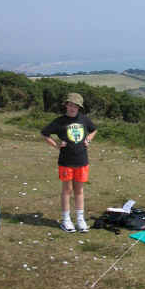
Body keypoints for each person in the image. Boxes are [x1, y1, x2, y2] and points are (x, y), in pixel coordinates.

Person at [41, 92, 97, 233]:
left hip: (82, 161)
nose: (72, 108)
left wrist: (89, 139)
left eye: (75, 106)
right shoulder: (59, 121)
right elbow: (44, 133)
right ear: (66, 105)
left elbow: (94, 130)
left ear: (79, 107)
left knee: (79, 190)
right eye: (70, 105)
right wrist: (56, 145)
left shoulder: (84, 120)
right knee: (67, 190)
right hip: (66, 162)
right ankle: (66, 220)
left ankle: (80, 220)